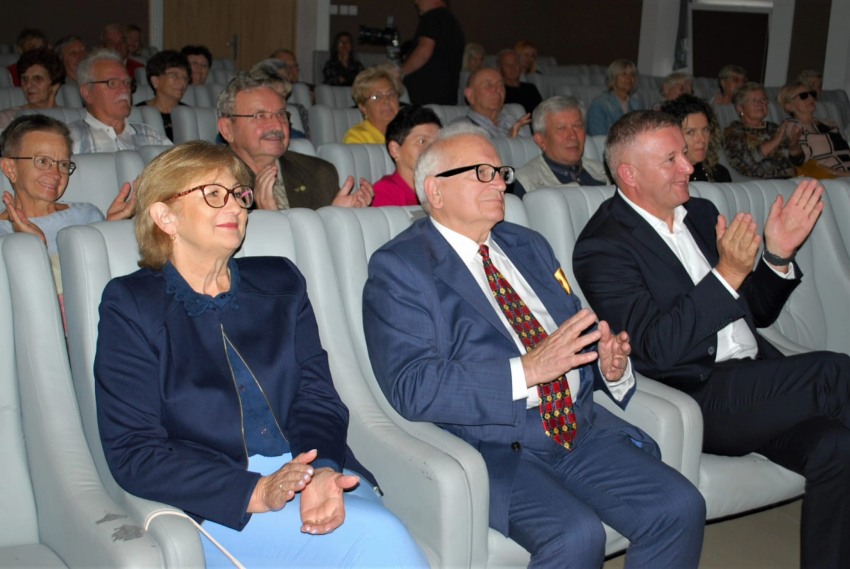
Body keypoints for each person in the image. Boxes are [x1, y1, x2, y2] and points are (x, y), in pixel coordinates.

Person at [363, 122, 705, 568]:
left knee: (679, 507)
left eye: (500, 173)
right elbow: (413, 385)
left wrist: (606, 365)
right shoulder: (401, 267)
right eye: (481, 173)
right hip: (494, 446)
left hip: (578, 427)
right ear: (435, 190)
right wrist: (527, 371)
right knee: (575, 535)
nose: (499, 184)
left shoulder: (527, 245)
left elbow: (572, 335)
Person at [94, 140, 428, 568]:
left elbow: (317, 398)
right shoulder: (132, 304)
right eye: (214, 194)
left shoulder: (280, 281)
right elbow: (134, 450)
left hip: (310, 468)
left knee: (374, 531)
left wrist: (321, 469)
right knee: (378, 537)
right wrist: (255, 490)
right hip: (217, 497)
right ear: (165, 216)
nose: (235, 206)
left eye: (239, 194)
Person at [573, 109, 850, 569]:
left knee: (836, 447)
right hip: (702, 394)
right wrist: (727, 274)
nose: (689, 166)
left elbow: (756, 312)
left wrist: (777, 256)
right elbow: (657, 349)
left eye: (685, 153)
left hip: (758, 381)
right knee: (835, 372)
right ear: (630, 174)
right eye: (671, 159)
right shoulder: (604, 246)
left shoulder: (700, 213)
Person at [0, 114, 134, 293]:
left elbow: (110, 282)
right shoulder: (3, 234)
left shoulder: (87, 216)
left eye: (63, 164)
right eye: (42, 161)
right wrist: (33, 247)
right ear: (10, 168)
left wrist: (110, 232)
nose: (56, 174)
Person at [217, 73, 373, 210]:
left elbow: (325, 233)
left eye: (281, 114)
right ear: (227, 129)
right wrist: (266, 219)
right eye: (260, 116)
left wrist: (336, 216)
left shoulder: (319, 173)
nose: (277, 125)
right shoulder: (213, 182)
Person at [68, 50, 172, 153]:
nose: (125, 89)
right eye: (113, 83)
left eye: (127, 82)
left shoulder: (150, 135)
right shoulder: (71, 140)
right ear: (87, 93)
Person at [514, 96, 609, 197]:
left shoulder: (607, 172)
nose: (573, 136)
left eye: (577, 126)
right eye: (561, 128)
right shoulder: (526, 183)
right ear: (540, 140)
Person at [722, 82, 804, 179]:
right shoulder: (734, 131)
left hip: (790, 180)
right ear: (739, 107)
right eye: (754, 101)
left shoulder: (774, 128)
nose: (760, 104)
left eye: (763, 100)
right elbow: (745, 163)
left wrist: (794, 147)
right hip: (761, 183)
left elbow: (798, 162)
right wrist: (774, 141)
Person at [372, 105, 441, 206]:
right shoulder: (384, 193)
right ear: (395, 149)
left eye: (437, 142)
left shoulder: (446, 187)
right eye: (421, 141)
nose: (432, 148)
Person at [778, 80, 850, 177]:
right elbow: (800, 161)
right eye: (803, 96)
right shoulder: (792, 126)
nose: (811, 98)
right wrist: (794, 147)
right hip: (833, 176)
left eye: (812, 94)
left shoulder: (829, 123)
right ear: (789, 106)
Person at [401, 0, 465, 105]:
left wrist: (400, 73)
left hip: (425, 99)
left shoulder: (432, 16)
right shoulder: (452, 21)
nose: (416, 2)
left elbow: (424, 51)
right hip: (444, 100)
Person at [661, 94, 732, 182]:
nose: (702, 139)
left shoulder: (720, 174)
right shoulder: (665, 177)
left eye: (705, 130)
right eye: (691, 132)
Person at [455, 68, 531, 138]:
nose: (498, 90)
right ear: (470, 95)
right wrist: (511, 141)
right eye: (488, 85)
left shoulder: (513, 122)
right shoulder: (461, 129)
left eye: (501, 85)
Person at [0, 48, 65, 130]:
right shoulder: (6, 119)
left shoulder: (70, 117)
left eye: (37, 79)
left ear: (55, 85)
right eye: (25, 79)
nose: (28, 85)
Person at [136, 50, 190, 142]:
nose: (182, 82)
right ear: (155, 81)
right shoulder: (137, 113)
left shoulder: (189, 114)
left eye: (185, 78)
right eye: (174, 76)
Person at [343, 67, 402, 145]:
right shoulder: (356, 138)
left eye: (391, 94)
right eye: (376, 97)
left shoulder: (409, 132)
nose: (386, 100)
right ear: (363, 107)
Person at [586, 59, 640, 136]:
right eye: (624, 74)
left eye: (632, 75)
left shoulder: (636, 104)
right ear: (613, 78)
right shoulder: (599, 105)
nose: (629, 78)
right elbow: (598, 137)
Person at [498, 49, 543, 115]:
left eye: (515, 63)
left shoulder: (531, 88)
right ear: (500, 69)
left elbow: (541, 112)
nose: (512, 68)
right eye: (508, 65)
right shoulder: (499, 91)